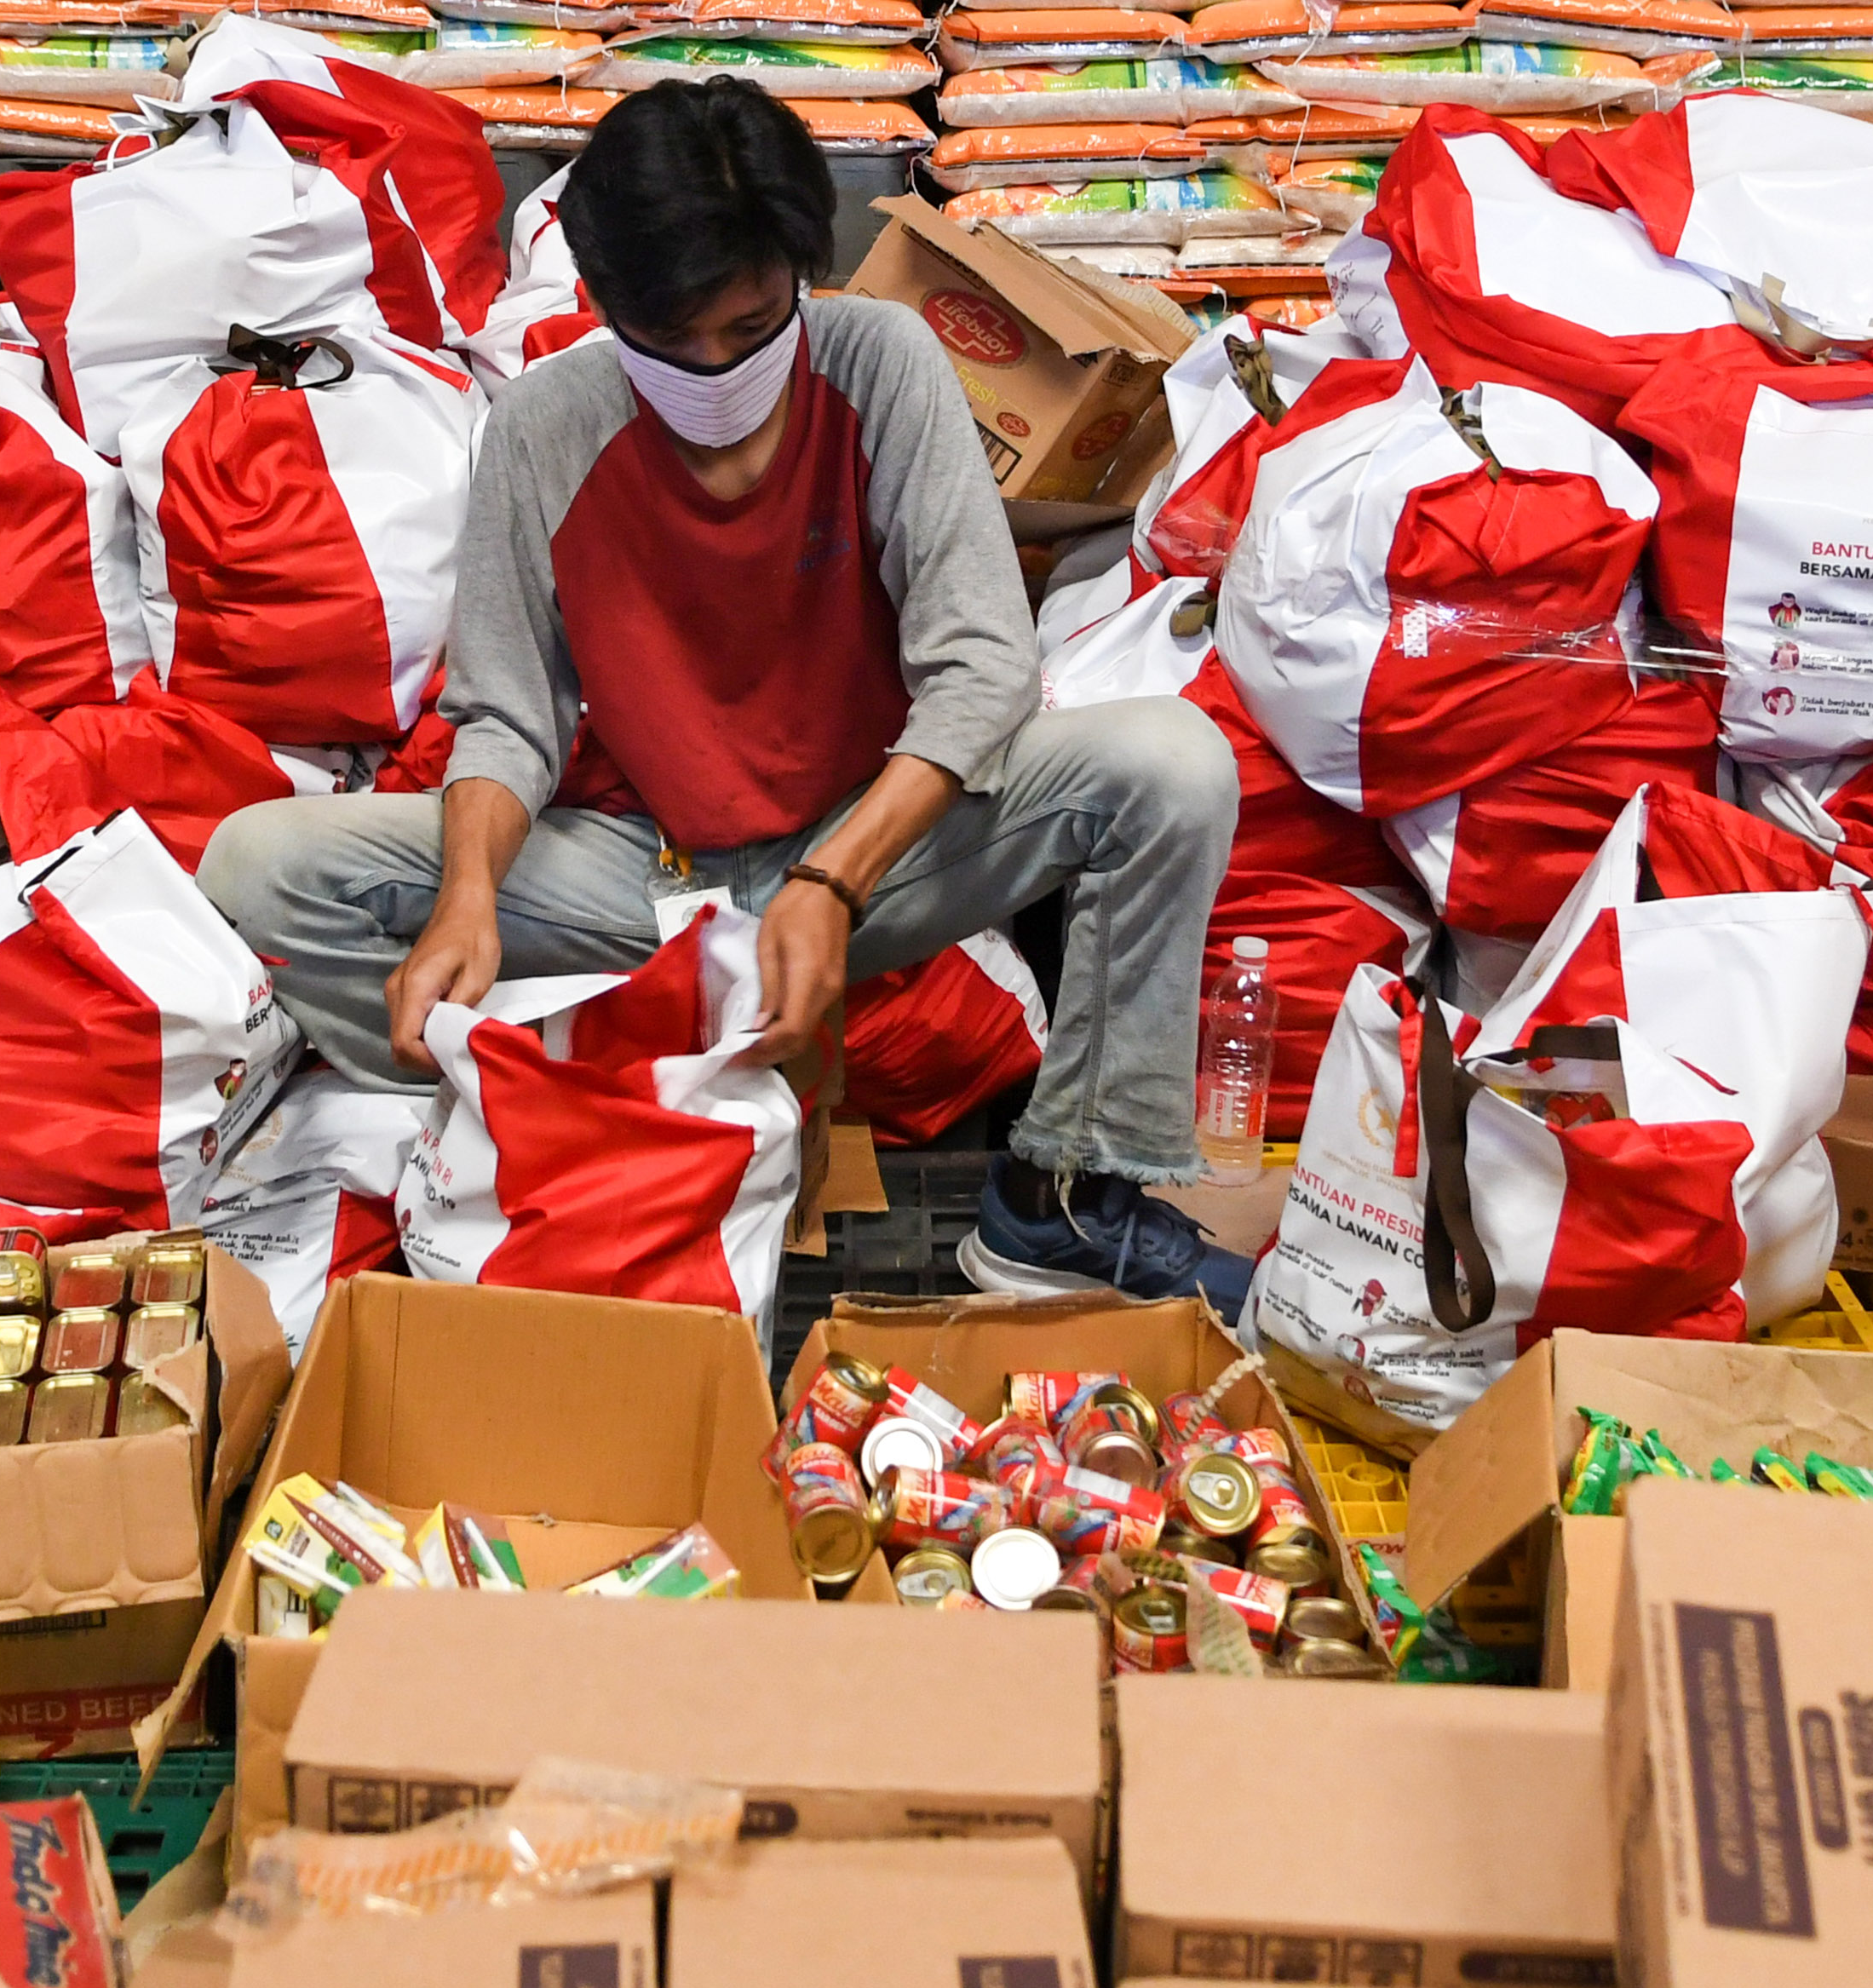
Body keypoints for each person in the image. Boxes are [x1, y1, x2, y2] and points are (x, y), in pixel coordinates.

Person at [196, 75, 1246, 1296]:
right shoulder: (546, 425)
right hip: (646, 869)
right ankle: (497, 1138)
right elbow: (508, 717)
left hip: (867, 850)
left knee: (1173, 766)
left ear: (803, 277)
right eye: (668, 342)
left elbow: (980, 671)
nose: (713, 371)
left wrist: (831, 881)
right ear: (607, 307)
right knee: (258, 866)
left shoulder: (881, 363)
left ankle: (1062, 1197)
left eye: (750, 331)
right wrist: (468, 896)